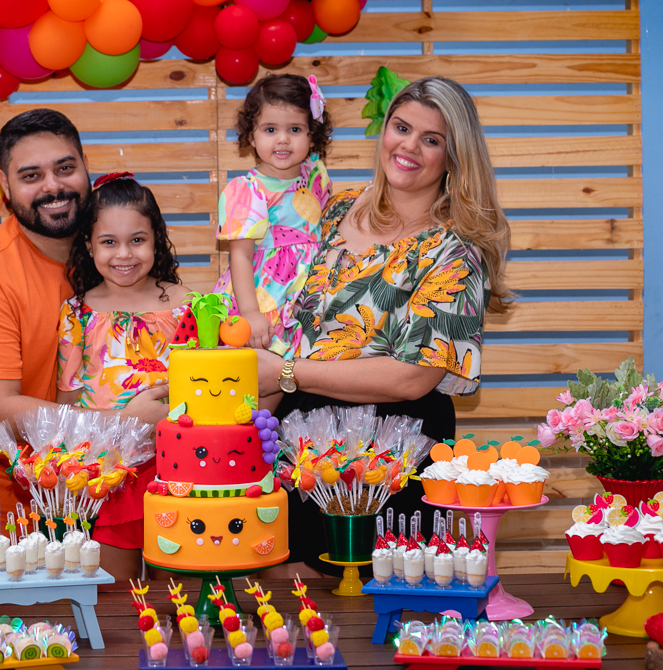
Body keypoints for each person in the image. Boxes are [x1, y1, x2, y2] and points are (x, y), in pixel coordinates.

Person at [257, 76, 513, 569]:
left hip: (393, 455)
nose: (409, 146)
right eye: (401, 127)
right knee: (295, 597)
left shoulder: (456, 252)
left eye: (431, 139)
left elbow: (412, 377)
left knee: (376, 597)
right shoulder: (336, 209)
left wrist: (286, 373)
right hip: (300, 446)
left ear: (453, 157)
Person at [0, 110, 168, 553]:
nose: (53, 186)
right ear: (5, 187)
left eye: (65, 168)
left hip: (81, 496)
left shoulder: (111, 258)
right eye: (31, 176)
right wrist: (125, 424)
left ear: (85, 168)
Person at [56, 172, 192, 577]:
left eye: (137, 239)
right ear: (88, 245)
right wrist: (124, 421)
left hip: (179, 468)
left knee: (179, 592)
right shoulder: (76, 313)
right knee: (113, 596)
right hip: (107, 473)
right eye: (109, 242)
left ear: (156, 240)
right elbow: (66, 410)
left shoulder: (188, 305)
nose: (124, 254)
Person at [213, 74, 334, 360]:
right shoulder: (247, 190)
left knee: (303, 366)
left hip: (309, 290)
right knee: (261, 364)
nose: (282, 139)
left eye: (295, 129)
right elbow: (241, 257)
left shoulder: (316, 175)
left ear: (312, 135)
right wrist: (251, 314)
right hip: (264, 294)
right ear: (251, 135)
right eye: (270, 129)